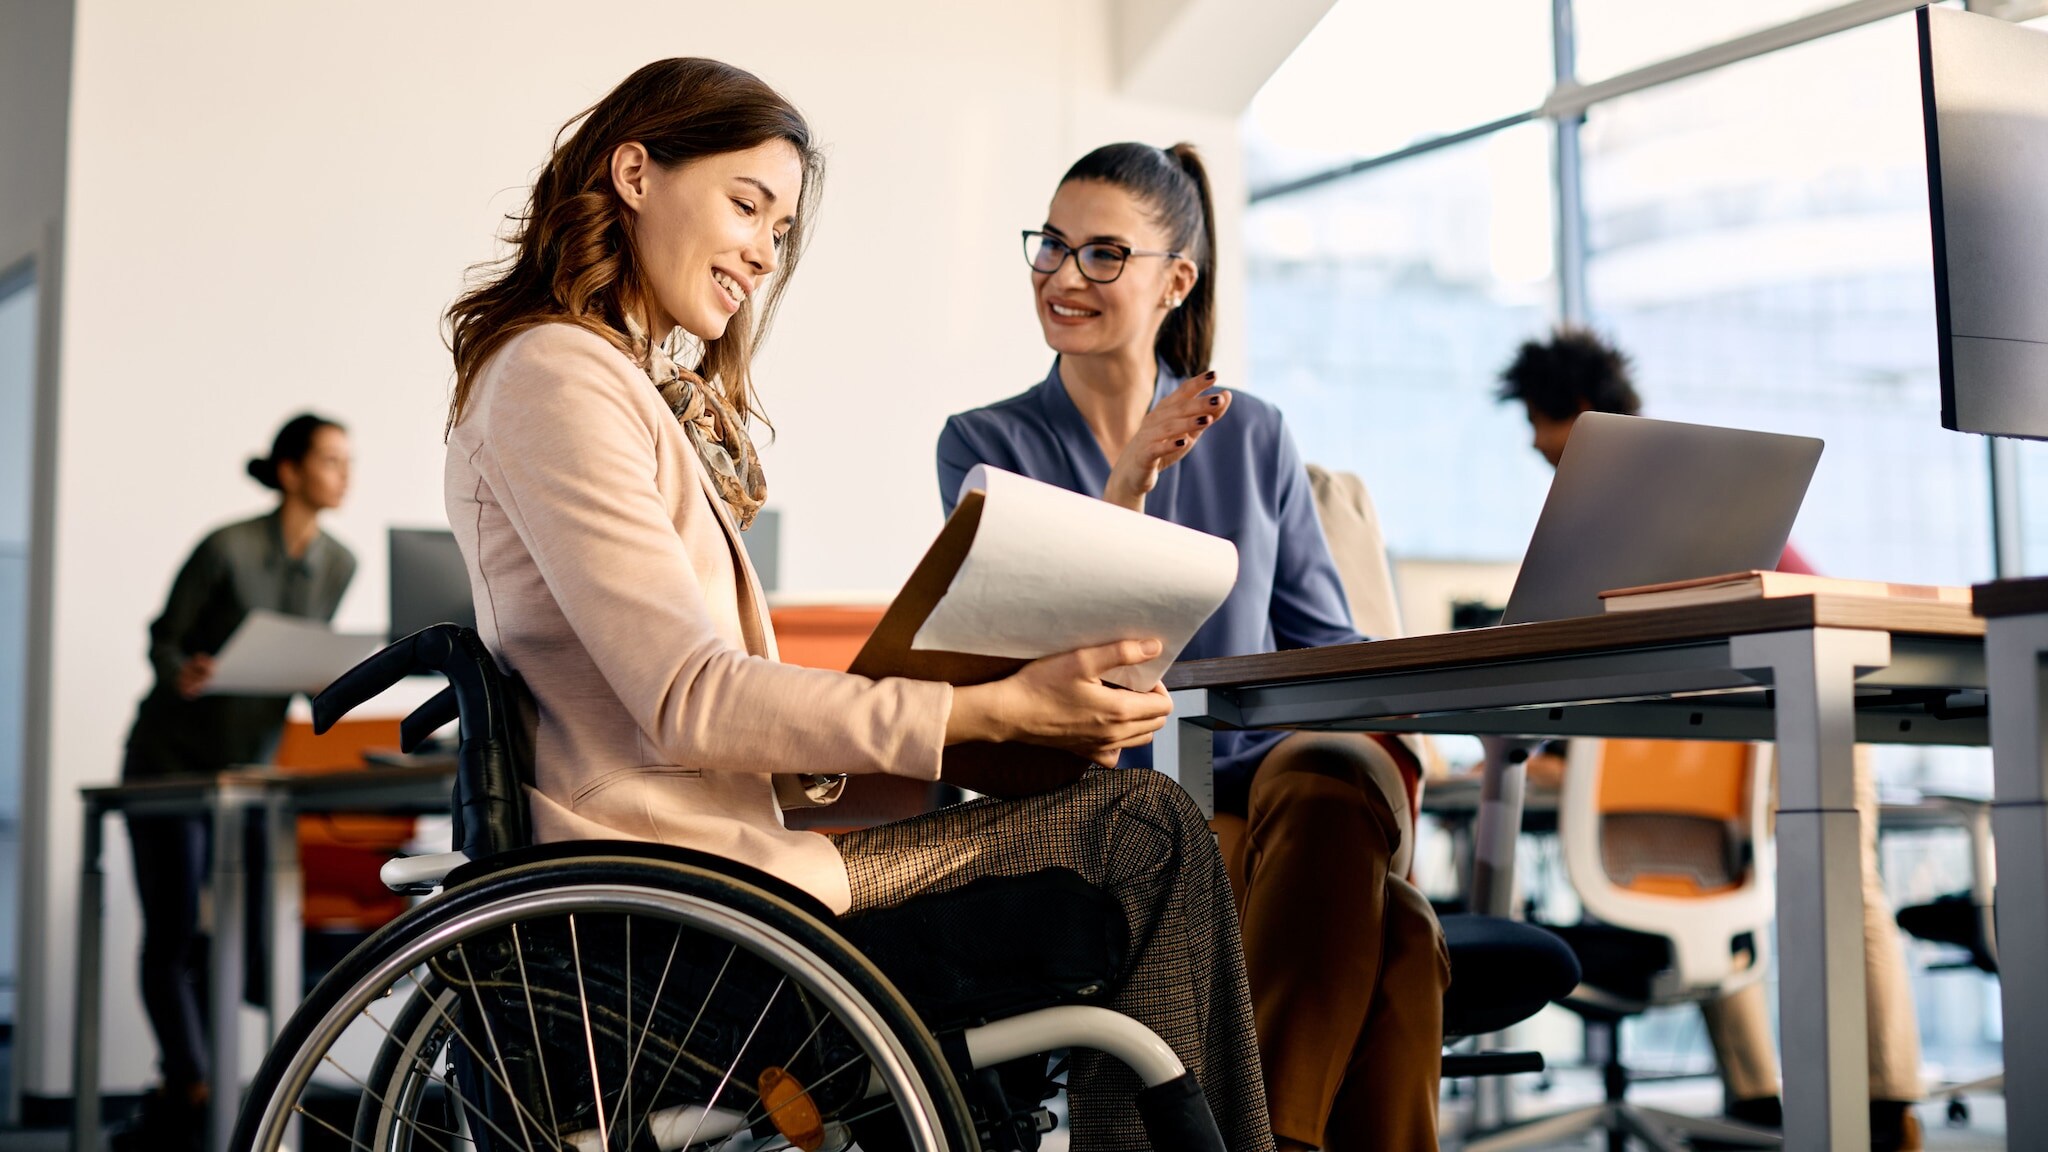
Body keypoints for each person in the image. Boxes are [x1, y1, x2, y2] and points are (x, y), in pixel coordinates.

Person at [441, 60, 1272, 1151]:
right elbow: (689, 698)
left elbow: (684, 710)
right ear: (634, 172)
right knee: (1143, 828)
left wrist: (961, 702)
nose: (760, 252)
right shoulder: (558, 374)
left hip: (725, 871)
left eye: (779, 230)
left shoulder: (608, 380)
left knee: (1136, 825)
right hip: (680, 907)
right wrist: (991, 713)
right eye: (746, 204)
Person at [938, 142, 1450, 1152]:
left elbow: (1324, 645)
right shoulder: (983, 444)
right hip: (1109, 799)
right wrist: (1124, 484)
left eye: (1100, 254)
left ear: (1176, 281)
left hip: (1274, 789)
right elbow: (1020, 671)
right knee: (1398, 933)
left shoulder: (1252, 434)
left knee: (1332, 766)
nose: (1061, 275)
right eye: (1050, 245)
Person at [1498, 326, 1924, 1152]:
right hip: (1747, 700)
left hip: (1820, 672)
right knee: (1713, 877)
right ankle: (1763, 1097)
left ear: (1579, 415)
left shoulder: (1635, 498)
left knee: (1843, 884)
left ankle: (1885, 1104)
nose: (1535, 447)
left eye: (1538, 426)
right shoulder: (1665, 492)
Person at [115, 413, 356, 1150]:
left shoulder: (340, 562)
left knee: (251, 937)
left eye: (350, 462)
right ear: (288, 470)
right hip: (172, 762)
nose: (344, 474)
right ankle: (189, 1078)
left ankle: (219, 1082)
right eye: (329, 460)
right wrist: (180, 669)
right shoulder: (226, 548)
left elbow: (299, 654)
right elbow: (164, 638)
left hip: (251, 766)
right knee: (176, 928)